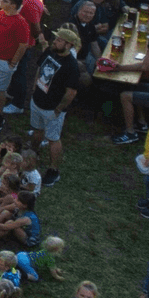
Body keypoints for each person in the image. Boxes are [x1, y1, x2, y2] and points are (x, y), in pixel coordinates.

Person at [30, 29, 84, 188]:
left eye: (59, 40)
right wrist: (34, 88)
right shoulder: (50, 51)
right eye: (56, 38)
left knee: (53, 139)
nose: (55, 41)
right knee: (37, 130)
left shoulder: (71, 65)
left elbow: (71, 92)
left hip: (52, 108)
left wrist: (59, 109)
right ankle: (33, 155)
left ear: (69, 45)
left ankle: (54, 170)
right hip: (37, 101)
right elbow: (39, 69)